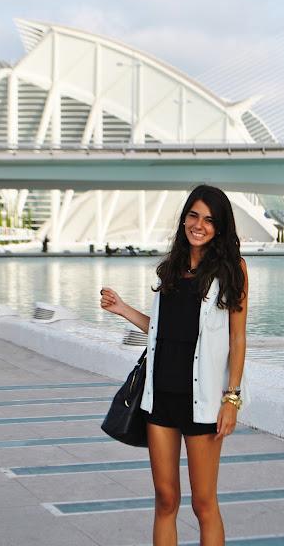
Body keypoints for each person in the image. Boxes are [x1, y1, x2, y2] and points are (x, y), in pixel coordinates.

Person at [100, 185, 248, 546]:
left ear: (220, 227)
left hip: (203, 403)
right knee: (165, 500)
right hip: (160, 399)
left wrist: (232, 398)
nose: (199, 225)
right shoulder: (171, 267)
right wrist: (123, 309)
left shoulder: (233, 269)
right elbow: (163, 330)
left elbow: (237, 338)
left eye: (209, 220)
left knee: (203, 503)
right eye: (194, 215)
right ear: (184, 218)